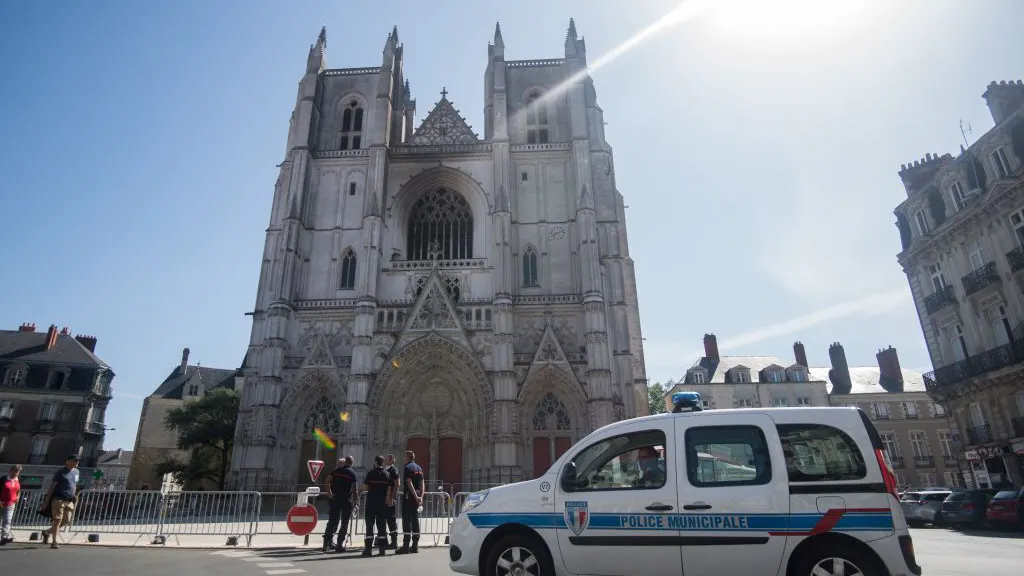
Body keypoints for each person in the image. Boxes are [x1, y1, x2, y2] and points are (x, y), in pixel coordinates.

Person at [40, 455, 80, 549]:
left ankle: (46, 532)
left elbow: (75, 483)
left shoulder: (77, 472)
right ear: (68, 461)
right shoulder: (60, 473)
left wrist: (75, 495)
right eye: (75, 460)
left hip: (69, 499)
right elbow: (52, 486)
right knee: (57, 520)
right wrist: (46, 501)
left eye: (78, 461)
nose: (77, 462)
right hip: (59, 498)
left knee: (66, 520)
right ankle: (54, 541)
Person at [323, 456, 357, 552]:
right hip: (347, 500)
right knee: (344, 522)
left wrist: (330, 494)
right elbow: (355, 490)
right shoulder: (352, 473)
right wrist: (355, 502)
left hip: (336, 499)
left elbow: (326, 482)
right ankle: (339, 545)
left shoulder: (336, 471)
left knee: (332, 520)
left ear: (345, 462)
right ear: (352, 463)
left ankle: (326, 544)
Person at [361, 455, 391, 557]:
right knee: (382, 526)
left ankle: (368, 549)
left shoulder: (370, 473)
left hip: (371, 502)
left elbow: (365, 487)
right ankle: (382, 549)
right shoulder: (387, 474)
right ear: (383, 463)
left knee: (369, 526)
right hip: (382, 503)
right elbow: (388, 490)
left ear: (375, 462)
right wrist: (386, 500)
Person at [396, 450, 423, 554]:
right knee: (415, 519)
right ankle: (415, 545)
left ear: (408, 457)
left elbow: (409, 482)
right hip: (417, 496)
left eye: (405, 457)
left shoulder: (407, 468)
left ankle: (406, 546)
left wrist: (415, 496)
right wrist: (421, 496)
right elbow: (422, 482)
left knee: (407, 520)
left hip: (409, 497)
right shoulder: (419, 468)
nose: (404, 459)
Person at [0, 464, 23, 545]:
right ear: (10, 471)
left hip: (11, 504)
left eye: (17, 472)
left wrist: (18, 497)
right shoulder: (3, 479)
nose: (15, 474)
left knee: (7, 521)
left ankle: (4, 538)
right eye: (14, 472)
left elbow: (19, 490)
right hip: (1, 502)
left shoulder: (18, 480)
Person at [384, 454, 400, 550]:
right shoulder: (386, 469)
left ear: (391, 460)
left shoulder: (393, 470)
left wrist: (392, 497)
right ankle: (383, 539)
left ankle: (394, 542)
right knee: (384, 519)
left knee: (391, 519)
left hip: (389, 498)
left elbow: (397, 484)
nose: (385, 460)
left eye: (387, 459)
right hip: (384, 498)